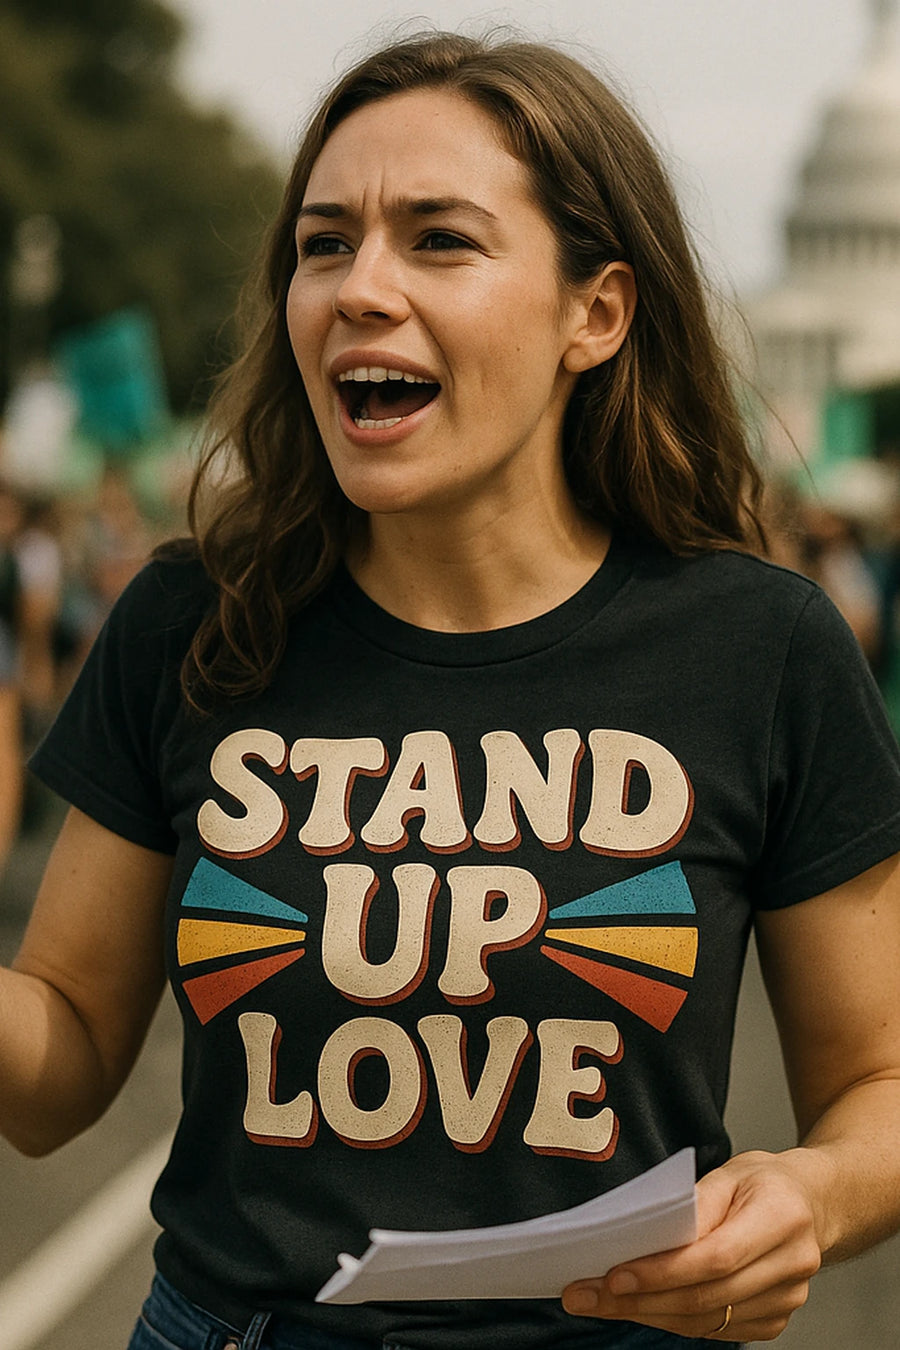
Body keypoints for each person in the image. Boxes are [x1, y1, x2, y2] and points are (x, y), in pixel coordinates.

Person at [3, 29, 900, 1350]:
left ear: (595, 312)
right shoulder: (191, 621)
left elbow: (879, 1086)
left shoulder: (762, 647)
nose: (359, 286)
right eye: (322, 243)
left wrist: (814, 1192)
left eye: (438, 239)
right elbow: (58, 1056)